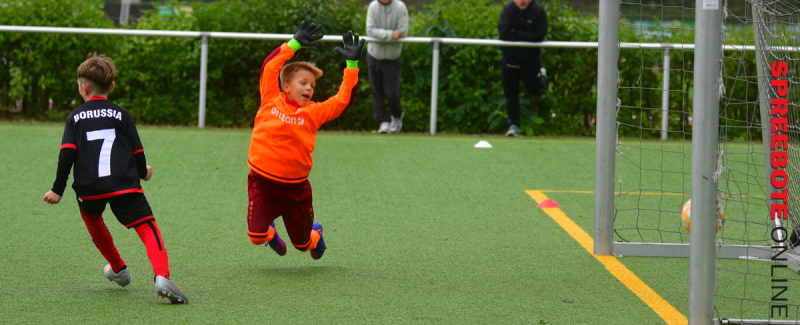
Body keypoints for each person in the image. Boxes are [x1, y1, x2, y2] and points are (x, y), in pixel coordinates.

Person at [42, 56, 188, 304]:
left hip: (89, 188)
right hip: (123, 185)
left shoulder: (74, 118)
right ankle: (162, 276)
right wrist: (143, 173)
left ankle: (118, 269)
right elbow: (137, 152)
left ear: (83, 88)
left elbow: (67, 153)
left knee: (92, 218)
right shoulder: (122, 115)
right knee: (146, 227)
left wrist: (58, 189)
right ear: (111, 87)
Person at [246, 22, 364, 260]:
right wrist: (294, 43)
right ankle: (270, 235)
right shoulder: (270, 99)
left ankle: (316, 235)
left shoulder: (313, 112)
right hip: (262, 184)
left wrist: (351, 66)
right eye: (303, 83)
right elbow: (270, 66)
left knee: (303, 245)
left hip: (296, 190)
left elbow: (343, 100)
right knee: (256, 236)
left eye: (312, 85)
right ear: (286, 86)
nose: (309, 88)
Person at [498, 0, 547, 137]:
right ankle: (513, 125)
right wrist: (526, 36)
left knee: (535, 89)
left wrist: (516, 32)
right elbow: (504, 33)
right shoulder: (508, 9)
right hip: (510, 59)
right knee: (511, 94)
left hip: (530, 60)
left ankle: (542, 77)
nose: (522, 1)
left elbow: (539, 36)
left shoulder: (538, 11)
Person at [366, 0, 409, 134]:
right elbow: (370, 31)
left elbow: (402, 32)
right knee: (376, 90)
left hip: (392, 57)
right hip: (374, 55)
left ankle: (397, 116)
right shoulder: (373, 6)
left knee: (392, 92)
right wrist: (390, 35)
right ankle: (383, 122)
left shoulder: (400, 7)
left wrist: (388, 34)